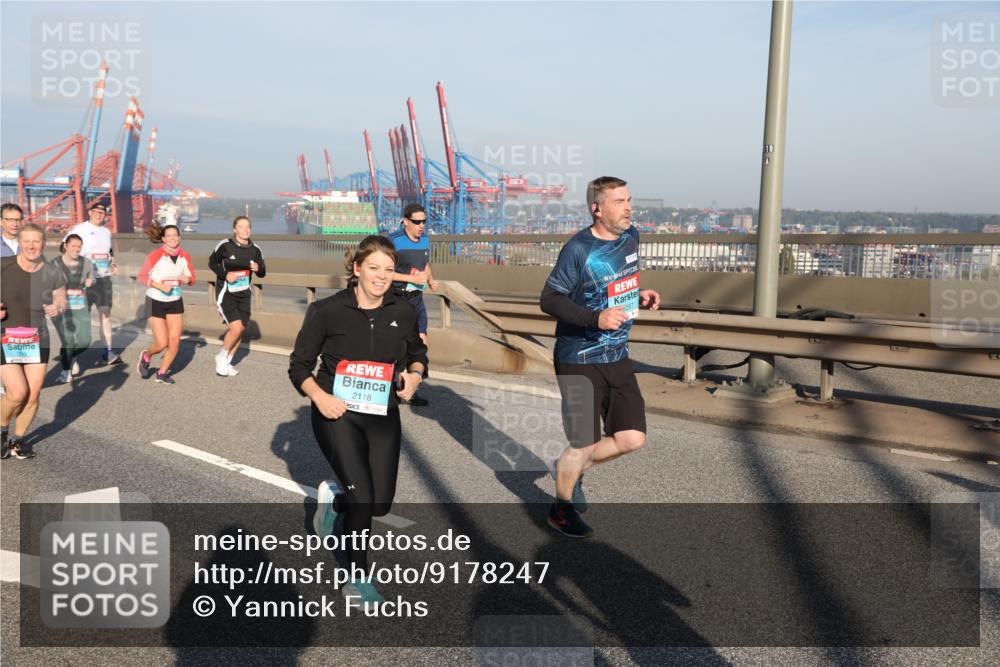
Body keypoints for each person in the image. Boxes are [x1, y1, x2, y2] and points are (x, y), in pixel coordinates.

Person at [288, 235, 427, 604]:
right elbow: (299, 366)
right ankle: (356, 577)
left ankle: (334, 504)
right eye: (374, 268)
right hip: (338, 413)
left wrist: (414, 376)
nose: (382, 276)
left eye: (388, 269)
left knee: (380, 504)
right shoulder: (327, 311)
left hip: (382, 413)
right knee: (364, 499)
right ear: (357, 269)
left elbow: (417, 353)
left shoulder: (403, 312)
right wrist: (320, 397)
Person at [539, 176, 661, 538]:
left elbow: (619, 283)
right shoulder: (578, 249)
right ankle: (560, 511)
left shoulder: (631, 236)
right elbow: (550, 299)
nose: (628, 208)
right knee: (584, 441)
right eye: (620, 201)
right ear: (597, 208)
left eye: (629, 200)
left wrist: (639, 296)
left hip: (617, 353)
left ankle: (567, 468)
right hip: (577, 356)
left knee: (631, 438)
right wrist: (596, 318)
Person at [1, 223, 67, 459]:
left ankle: (17, 441)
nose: (31, 245)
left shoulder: (52, 271)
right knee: (17, 392)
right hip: (5, 336)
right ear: (18, 242)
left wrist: (57, 307)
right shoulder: (4, 266)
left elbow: (62, 298)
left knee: (33, 393)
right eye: (26, 240)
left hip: (37, 337)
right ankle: (1, 430)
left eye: (36, 241)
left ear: (44, 243)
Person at [387, 203, 436, 406]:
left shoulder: (425, 240)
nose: (421, 225)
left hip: (416, 298)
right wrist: (410, 278)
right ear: (405, 221)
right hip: (397, 297)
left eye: (424, 221)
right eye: (417, 221)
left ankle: (412, 388)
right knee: (397, 344)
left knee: (421, 342)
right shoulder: (394, 241)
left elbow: (424, 264)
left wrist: (431, 280)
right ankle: (392, 386)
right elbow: (385, 272)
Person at [135, 223, 195, 385]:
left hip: (175, 300)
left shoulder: (185, 256)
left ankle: (162, 373)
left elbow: (192, 279)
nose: (172, 238)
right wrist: (158, 285)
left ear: (180, 237)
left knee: (174, 340)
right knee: (162, 343)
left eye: (175, 235)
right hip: (155, 300)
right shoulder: (155, 256)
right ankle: (147, 356)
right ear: (163, 238)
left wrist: (188, 279)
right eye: (168, 235)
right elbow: (141, 276)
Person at [65, 201, 122, 364]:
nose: (99, 213)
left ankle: (108, 352)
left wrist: (113, 263)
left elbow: (108, 252)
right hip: (83, 281)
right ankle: (73, 356)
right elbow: (65, 247)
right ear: (89, 212)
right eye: (96, 211)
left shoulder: (106, 232)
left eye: (103, 211)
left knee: (106, 315)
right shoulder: (80, 229)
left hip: (103, 279)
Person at [208, 215, 266, 377]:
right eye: (241, 226)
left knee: (240, 331)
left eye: (248, 226)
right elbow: (212, 263)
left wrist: (257, 268)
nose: (245, 229)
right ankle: (221, 356)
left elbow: (262, 273)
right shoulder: (225, 245)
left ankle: (227, 361)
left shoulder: (256, 249)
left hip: (244, 294)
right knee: (236, 328)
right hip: (226, 293)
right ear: (235, 229)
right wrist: (225, 275)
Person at [52, 234, 95, 383]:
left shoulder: (87, 263)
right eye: (73, 246)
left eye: (79, 246)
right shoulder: (54, 264)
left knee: (85, 340)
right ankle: (65, 371)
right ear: (66, 246)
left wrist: (91, 281)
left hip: (79, 304)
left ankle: (72, 356)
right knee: (68, 341)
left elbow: (92, 277)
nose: (76, 249)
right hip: (60, 306)